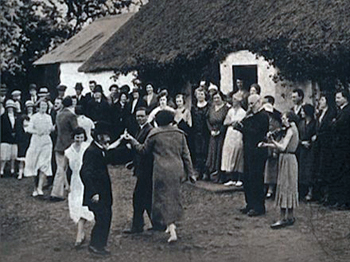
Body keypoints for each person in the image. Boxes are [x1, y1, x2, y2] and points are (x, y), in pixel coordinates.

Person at [124, 110, 196, 243]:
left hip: (161, 171)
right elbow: (186, 155)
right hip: (177, 169)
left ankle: (171, 227)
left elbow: (143, 150)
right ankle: (168, 225)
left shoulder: (155, 133)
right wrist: (190, 173)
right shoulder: (179, 134)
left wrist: (132, 141)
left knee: (163, 198)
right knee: (174, 196)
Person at [80, 122, 122, 256]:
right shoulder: (92, 152)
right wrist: (93, 192)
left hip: (103, 192)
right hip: (97, 193)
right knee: (103, 218)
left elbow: (111, 156)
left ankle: (99, 244)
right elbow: (85, 173)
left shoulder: (98, 149)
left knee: (105, 217)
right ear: (98, 136)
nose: (108, 138)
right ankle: (96, 245)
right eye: (105, 135)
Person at [116, 107, 154, 233]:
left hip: (147, 168)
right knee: (147, 198)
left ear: (147, 116)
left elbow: (145, 151)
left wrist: (132, 140)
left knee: (138, 197)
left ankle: (137, 226)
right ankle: (156, 223)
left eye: (142, 116)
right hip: (141, 167)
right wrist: (133, 163)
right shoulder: (141, 129)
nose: (139, 118)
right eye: (137, 116)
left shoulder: (149, 130)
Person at [259, 111, 299, 228]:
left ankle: (282, 218)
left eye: (284, 118)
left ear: (290, 119)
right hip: (289, 159)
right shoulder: (291, 129)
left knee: (285, 186)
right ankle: (290, 216)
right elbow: (282, 144)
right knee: (289, 186)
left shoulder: (291, 131)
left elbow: (282, 146)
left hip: (287, 159)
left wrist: (272, 141)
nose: (283, 120)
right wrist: (267, 145)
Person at [236, 94, 269, 216]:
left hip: (258, 151)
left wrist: (242, 129)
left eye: (252, 103)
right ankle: (250, 204)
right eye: (249, 103)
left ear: (259, 102)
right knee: (247, 177)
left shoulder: (263, 116)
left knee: (256, 178)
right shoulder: (251, 116)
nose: (250, 106)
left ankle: (259, 206)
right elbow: (245, 125)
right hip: (248, 150)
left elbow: (257, 133)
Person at [65, 127, 94, 248]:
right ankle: (81, 232)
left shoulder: (87, 148)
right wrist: (66, 184)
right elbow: (64, 169)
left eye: (81, 137)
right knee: (76, 206)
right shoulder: (68, 151)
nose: (79, 140)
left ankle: (79, 234)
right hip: (75, 181)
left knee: (85, 206)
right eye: (77, 137)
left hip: (86, 180)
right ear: (73, 137)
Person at [50, 96, 78, 201]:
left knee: (60, 169)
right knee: (74, 168)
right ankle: (69, 190)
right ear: (71, 104)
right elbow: (76, 130)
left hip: (59, 144)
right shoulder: (71, 115)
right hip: (69, 145)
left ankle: (57, 192)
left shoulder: (59, 115)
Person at [24, 100, 54, 196]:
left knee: (44, 164)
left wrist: (50, 129)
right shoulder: (34, 117)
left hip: (46, 142)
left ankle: (40, 187)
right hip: (36, 142)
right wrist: (37, 132)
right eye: (42, 106)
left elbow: (50, 128)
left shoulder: (49, 117)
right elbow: (28, 129)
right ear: (38, 107)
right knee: (34, 165)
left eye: (45, 106)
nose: (44, 107)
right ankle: (35, 188)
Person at [328, 90, 350, 208]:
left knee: (343, 174)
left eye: (338, 98)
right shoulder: (340, 111)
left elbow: (339, 125)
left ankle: (344, 201)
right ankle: (340, 200)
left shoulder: (347, 111)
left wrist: (334, 123)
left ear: (345, 98)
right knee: (339, 173)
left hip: (344, 147)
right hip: (339, 146)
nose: (336, 100)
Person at [312, 94, 336, 203]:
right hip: (319, 146)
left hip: (327, 145)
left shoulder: (331, 113)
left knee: (326, 168)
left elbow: (329, 130)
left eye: (322, 99)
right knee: (319, 168)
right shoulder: (319, 114)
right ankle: (321, 195)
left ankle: (328, 196)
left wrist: (318, 136)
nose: (320, 102)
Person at [221, 92, 246, 187]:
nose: (233, 101)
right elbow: (225, 122)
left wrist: (234, 123)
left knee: (238, 153)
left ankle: (239, 178)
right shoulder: (230, 111)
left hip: (238, 134)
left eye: (235, 100)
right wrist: (233, 122)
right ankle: (231, 177)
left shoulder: (243, 112)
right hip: (230, 133)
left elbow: (241, 123)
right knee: (229, 153)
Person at [205, 91, 230, 182]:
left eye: (218, 98)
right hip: (213, 133)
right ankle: (212, 173)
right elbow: (207, 119)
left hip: (221, 134)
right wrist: (211, 130)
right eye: (214, 98)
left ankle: (220, 176)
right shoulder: (211, 108)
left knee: (220, 152)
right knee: (212, 152)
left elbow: (226, 121)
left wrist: (220, 131)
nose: (216, 100)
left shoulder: (225, 108)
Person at [263, 95, 282, 198]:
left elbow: (278, 135)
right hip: (265, 145)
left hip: (272, 146)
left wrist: (275, 149)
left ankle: (271, 188)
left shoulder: (275, 122)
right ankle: (265, 187)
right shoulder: (264, 120)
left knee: (272, 168)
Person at [190, 87, 210, 180]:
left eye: (202, 94)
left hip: (206, 133)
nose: (200, 96)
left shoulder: (208, 106)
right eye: (198, 94)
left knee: (206, 151)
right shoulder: (193, 108)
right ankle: (198, 171)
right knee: (198, 152)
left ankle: (206, 172)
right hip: (196, 132)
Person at [298, 104, 316, 200]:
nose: (301, 113)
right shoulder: (301, 123)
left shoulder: (314, 123)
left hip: (311, 149)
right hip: (302, 148)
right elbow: (297, 135)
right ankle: (303, 190)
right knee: (302, 169)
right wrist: (301, 142)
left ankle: (310, 191)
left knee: (310, 169)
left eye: (303, 111)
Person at [16, 101, 34, 180]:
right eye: (28, 108)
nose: (29, 109)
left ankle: (28, 172)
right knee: (21, 158)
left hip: (31, 140)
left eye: (31, 107)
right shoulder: (22, 117)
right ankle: (20, 173)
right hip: (23, 141)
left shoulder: (34, 117)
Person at [0, 100, 18, 177]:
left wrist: (15, 133)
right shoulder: (2, 117)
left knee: (13, 155)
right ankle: (1, 170)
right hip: (5, 138)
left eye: (11, 107)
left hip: (14, 139)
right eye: (9, 107)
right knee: (3, 156)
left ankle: (12, 170)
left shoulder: (17, 117)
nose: (10, 109)